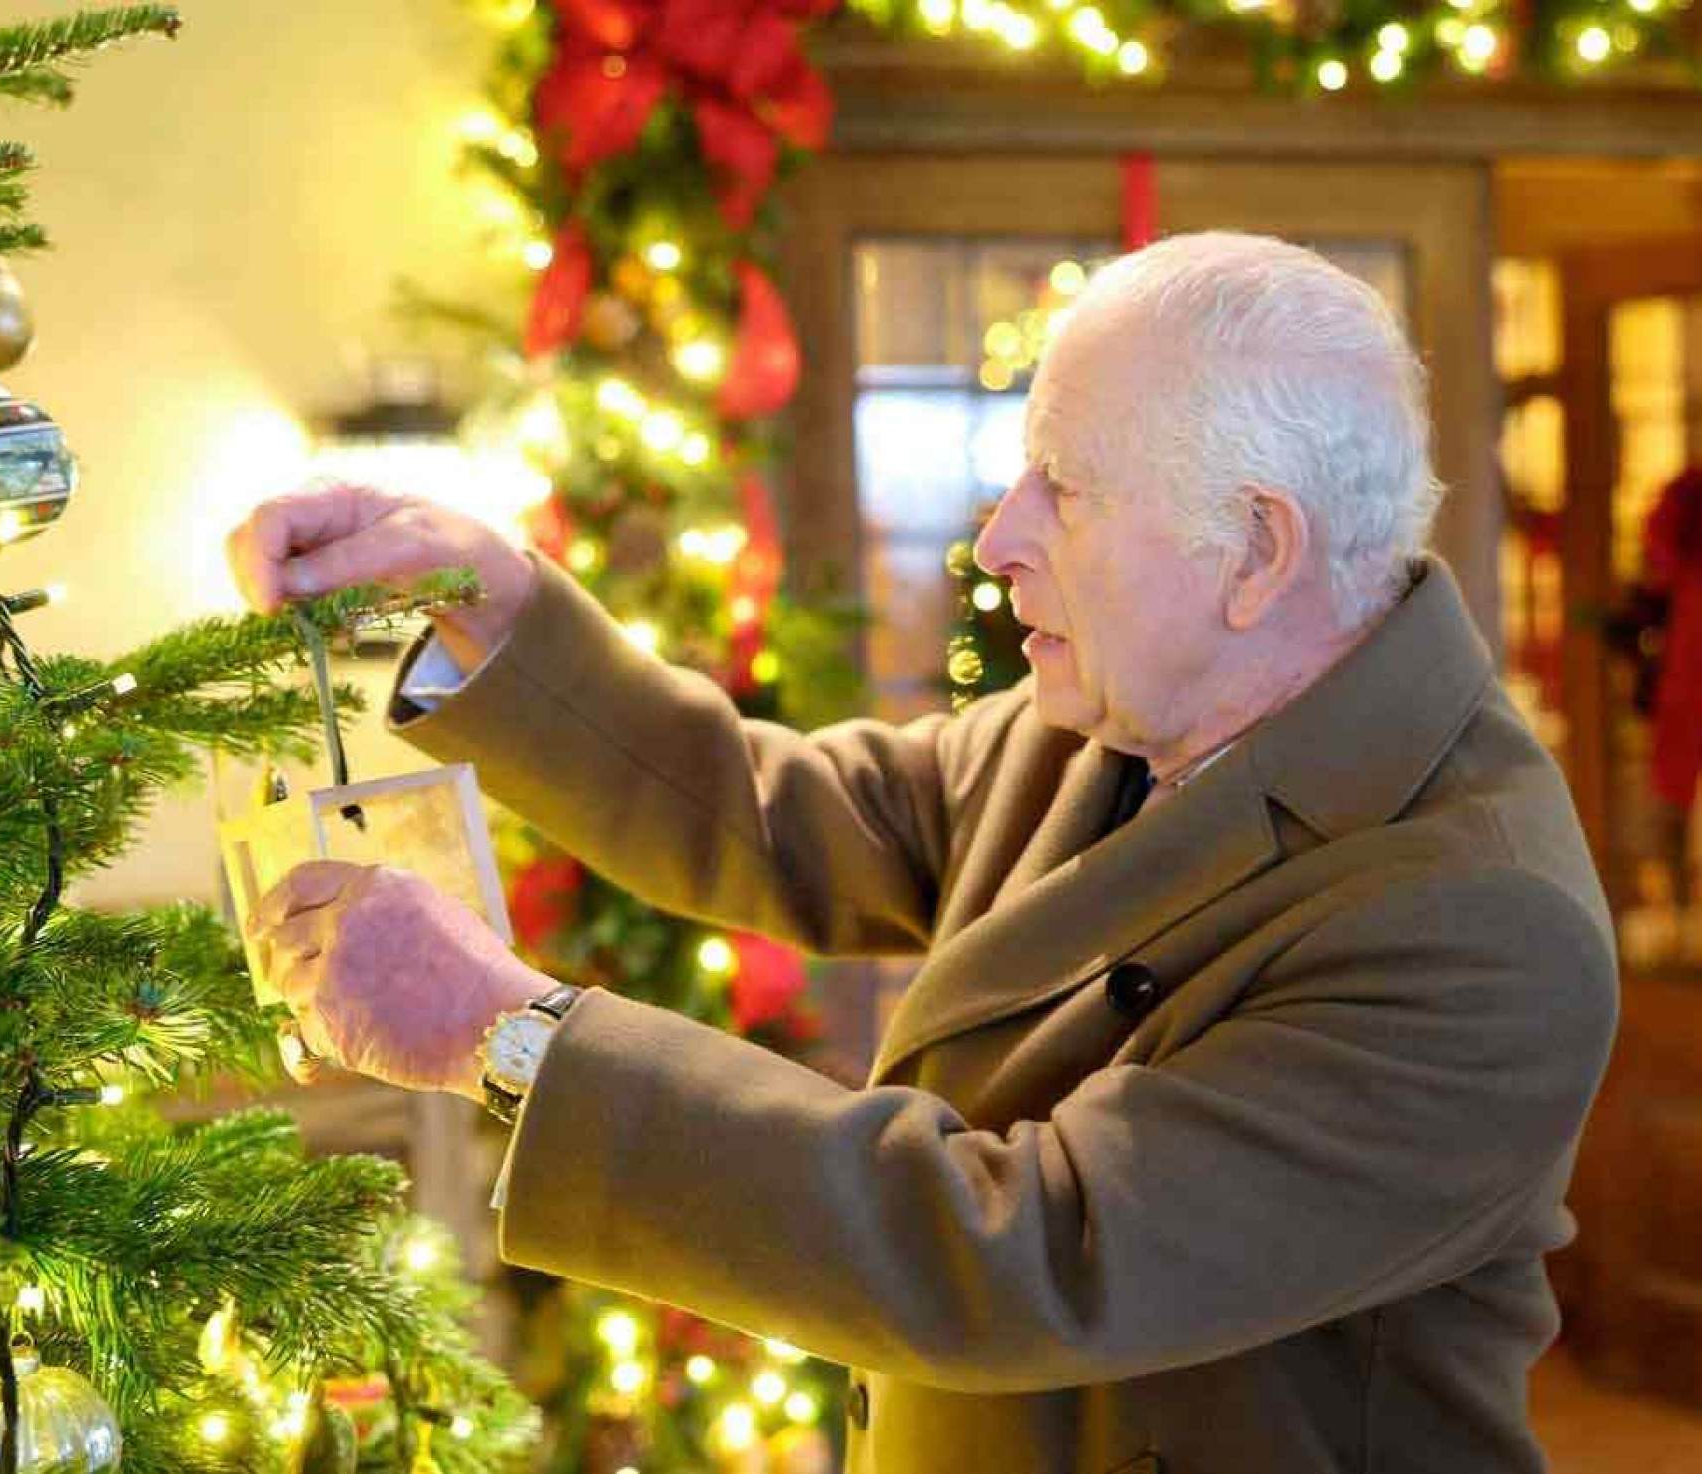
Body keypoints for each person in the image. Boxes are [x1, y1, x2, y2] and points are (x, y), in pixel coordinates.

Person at [229, 231, 1618, 1474]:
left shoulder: (1481, 917)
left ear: (1256, 551)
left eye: (1063, 490)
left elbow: (1026, 1252)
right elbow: (773, 818)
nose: (999, 538)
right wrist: (507, 611)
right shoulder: (1118, 717)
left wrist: (513, 1033)